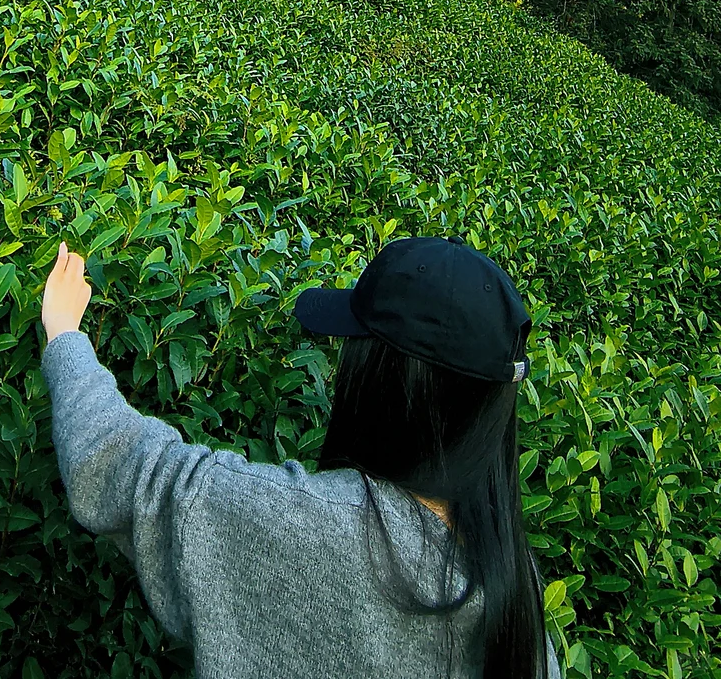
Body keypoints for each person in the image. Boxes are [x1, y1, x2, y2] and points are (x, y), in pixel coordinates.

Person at [40, 230, 561, 679]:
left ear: (384, 383)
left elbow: (120, 466)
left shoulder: (310, 530)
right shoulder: (514, 592)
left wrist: (64, 334)